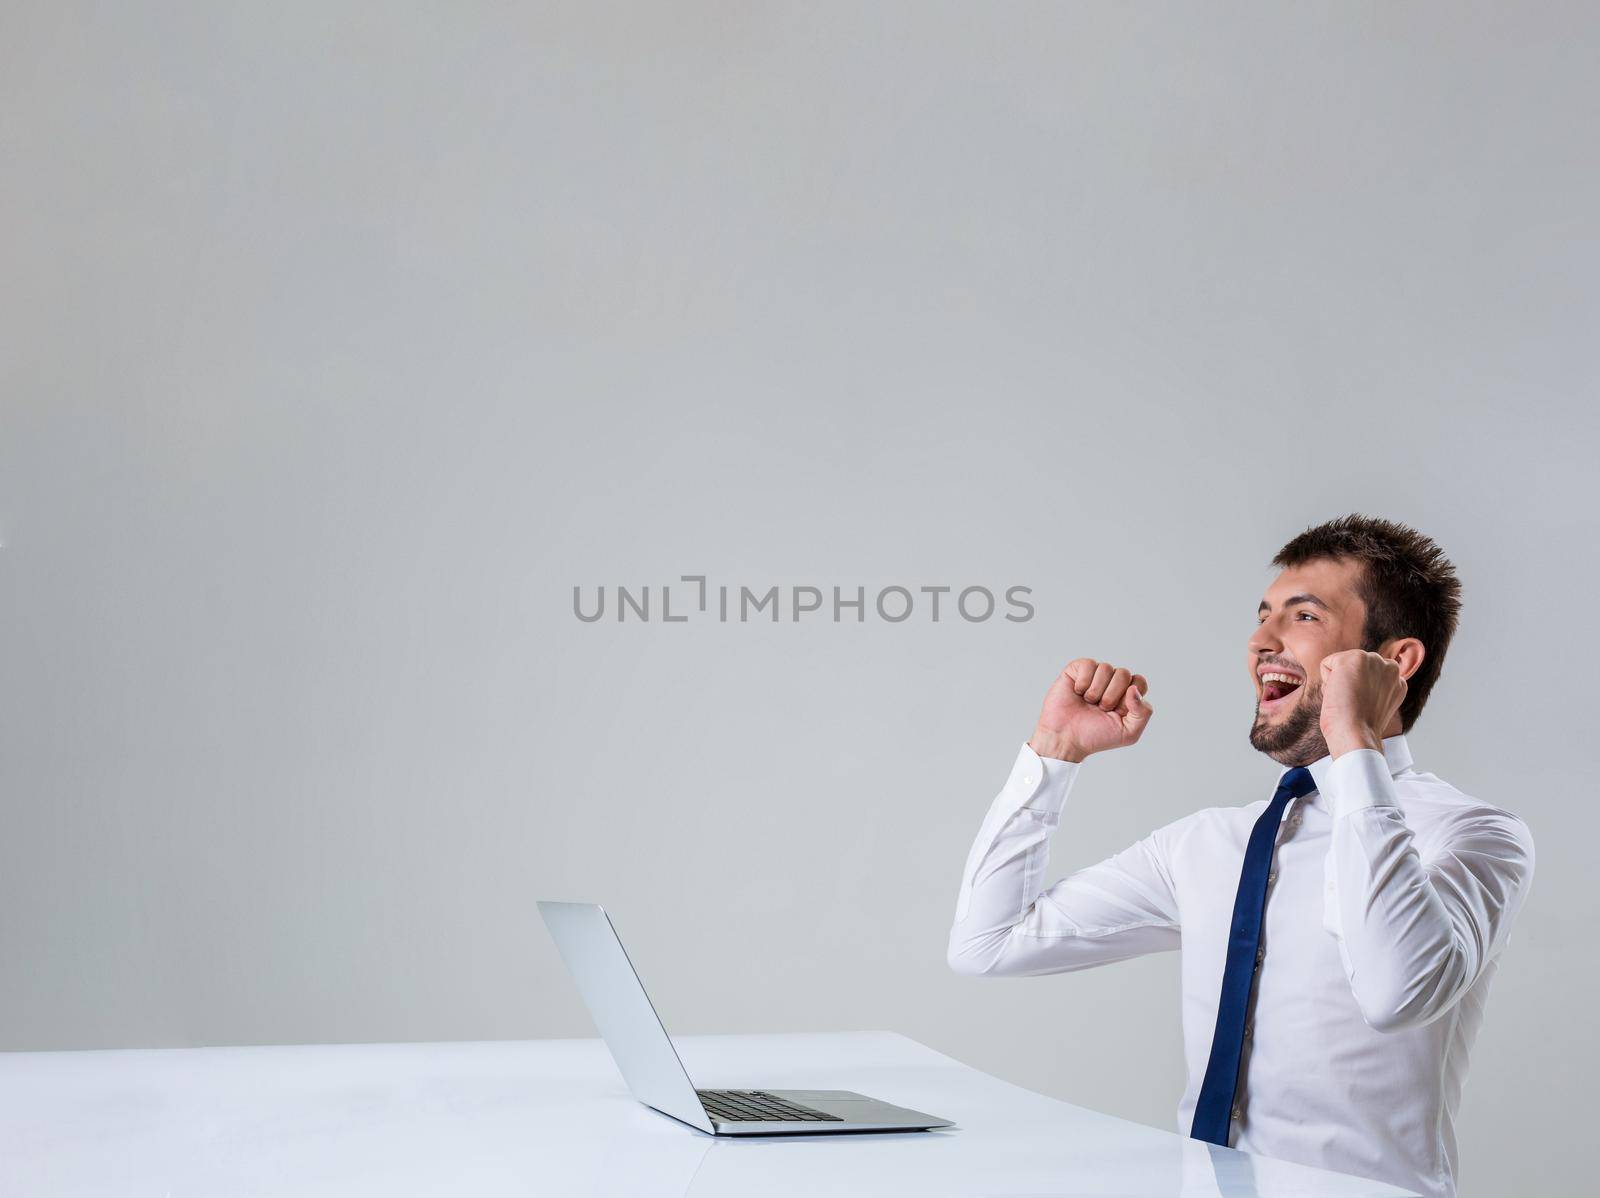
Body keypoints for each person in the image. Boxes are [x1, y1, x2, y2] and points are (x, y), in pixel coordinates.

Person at [947, 514, 1534, 1198]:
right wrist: (1055, 752)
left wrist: (1354, 746)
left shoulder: (1475, 835)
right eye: (1262, 618)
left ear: (1395, 662)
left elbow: (1395, 993)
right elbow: (987, 944)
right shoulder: (1209, 843)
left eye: (1304, 616)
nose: (1260, 642)